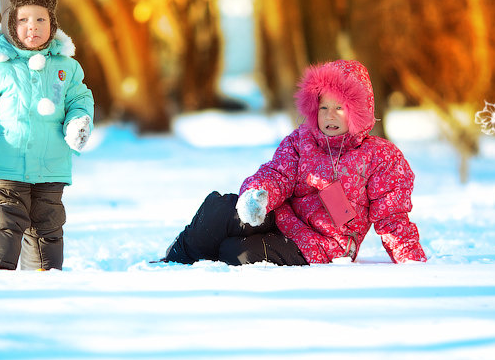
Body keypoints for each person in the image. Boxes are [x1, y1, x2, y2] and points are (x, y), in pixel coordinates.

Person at [161, 60, 426, 266]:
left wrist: (411, 260)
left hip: (324, 244)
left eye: (339, 108)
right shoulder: (302, 140)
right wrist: (258, 195)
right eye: (323, 108)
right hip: (284, 216)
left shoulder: (380, 157)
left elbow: (391, 216)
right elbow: (278, 172)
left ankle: (212, 262)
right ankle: (177, 259)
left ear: (357, 111)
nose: (330, 116)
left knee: (237, 252)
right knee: (220, 208)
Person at [0, 0, 94, 270]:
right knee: (4, 225)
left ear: (52, 22)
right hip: (4, 166)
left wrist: (79, 122)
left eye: (41, 19)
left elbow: (79, 100)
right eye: (23, 20)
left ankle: (45, 288)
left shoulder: (66, 67)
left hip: (50, 167)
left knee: (48, 231)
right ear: (8, 23)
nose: (33, 27)